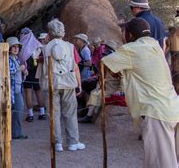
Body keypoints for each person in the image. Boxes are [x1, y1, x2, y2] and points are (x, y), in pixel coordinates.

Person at [102, 18, 179, 167]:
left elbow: (104, 64)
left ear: (130, 35)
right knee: (170, 160)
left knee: (162, 163)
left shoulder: (131, 49)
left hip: (156, 112)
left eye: (124, 32)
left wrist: (113, 71)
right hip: (172, 107)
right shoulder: (155, 46)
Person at [39, 19, 85, 152]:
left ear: (50, 33)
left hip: (51, 82)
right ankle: (73, 142)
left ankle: (57, 143)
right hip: (68, 82)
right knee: (70, 113)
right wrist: (79, 84)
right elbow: (75, 66)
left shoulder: (44, 48)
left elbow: (40, 66)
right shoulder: (70, 47)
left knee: (54, 114)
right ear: (62, 32)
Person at [0, 37, 28, 142]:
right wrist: (19, 69)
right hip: (8, 91)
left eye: (17, 47)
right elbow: (4, 72)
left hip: (16, 89)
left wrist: (23, 71)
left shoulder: (16, 58)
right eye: (14, 47)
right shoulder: (5, 58)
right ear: (9, 48)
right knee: (4, 112)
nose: (16, 49)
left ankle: (16, 133)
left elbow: (16, 72)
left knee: (19, 110)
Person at [79, 40, 120, 124]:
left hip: (112, 88)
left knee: (96, 94)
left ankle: (89, 115)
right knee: (94, 92)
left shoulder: (118, 66)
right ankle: (89, 114)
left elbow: (122, 80)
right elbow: (102, 77)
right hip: (105, 87)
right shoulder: (106, 64)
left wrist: (119, 90)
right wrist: (99, 86)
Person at [19, 28, 46, 122]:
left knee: (28, 93)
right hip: (36, 71)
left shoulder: (21, 46)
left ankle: (30, 115)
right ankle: (42, 113)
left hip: (26, 72)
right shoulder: (37, 44)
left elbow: (20, 60)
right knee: (38, 91)